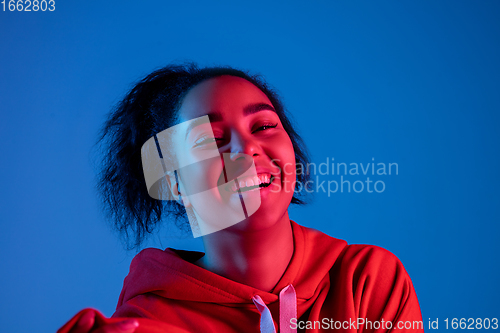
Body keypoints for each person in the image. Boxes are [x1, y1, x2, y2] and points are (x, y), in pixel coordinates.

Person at [58, 64, 424, 333]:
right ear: (176, 184)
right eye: (210, 141)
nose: (245, 149)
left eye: (264, 127)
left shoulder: (368, 280)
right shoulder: (146, 324)